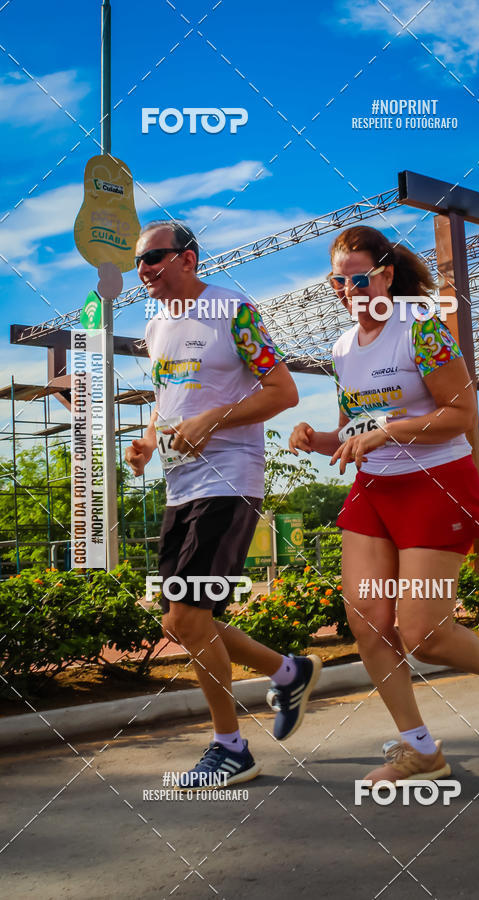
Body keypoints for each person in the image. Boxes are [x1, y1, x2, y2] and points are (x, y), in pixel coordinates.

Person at [289, 225, 479, 786]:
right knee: (368, 624)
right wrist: (320, 439)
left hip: (436, 484)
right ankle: (421, 751)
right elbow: (355, 431)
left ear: (384, 274)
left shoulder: (421, 331)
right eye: (337, 280)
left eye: (357, 277)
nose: (346, 288)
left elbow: (460, 416)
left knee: (424, 634)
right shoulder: (340, 349)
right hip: (374, 489)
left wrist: (390, 430)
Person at [125, 220, 322, 786]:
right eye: (139, 262)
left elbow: (282, 392)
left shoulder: (232, 310)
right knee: (183, 619)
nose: (144, 271)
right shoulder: (157, 323)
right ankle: (288, 671)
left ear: (188, 258)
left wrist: (214, 419)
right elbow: (170, 401)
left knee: (188, 614)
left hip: (229, 477)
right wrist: (147, 439)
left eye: (155, 258)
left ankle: (231, 748)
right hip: (180, 482)